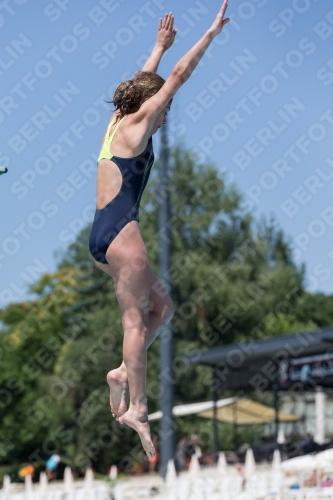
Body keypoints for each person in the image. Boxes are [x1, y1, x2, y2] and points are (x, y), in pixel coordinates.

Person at [88, 2, 230, 458]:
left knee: (162, 307)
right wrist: (208, 36)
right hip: (123, 240)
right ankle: (139, 408)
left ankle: (121, 373)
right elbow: (176, 78)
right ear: (151, 107)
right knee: (134, 320)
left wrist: (157, 47)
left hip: (102, 237)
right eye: (162, 109)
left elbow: (142, 83)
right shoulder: (141, 123)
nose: (165, 116)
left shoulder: (116, 122)